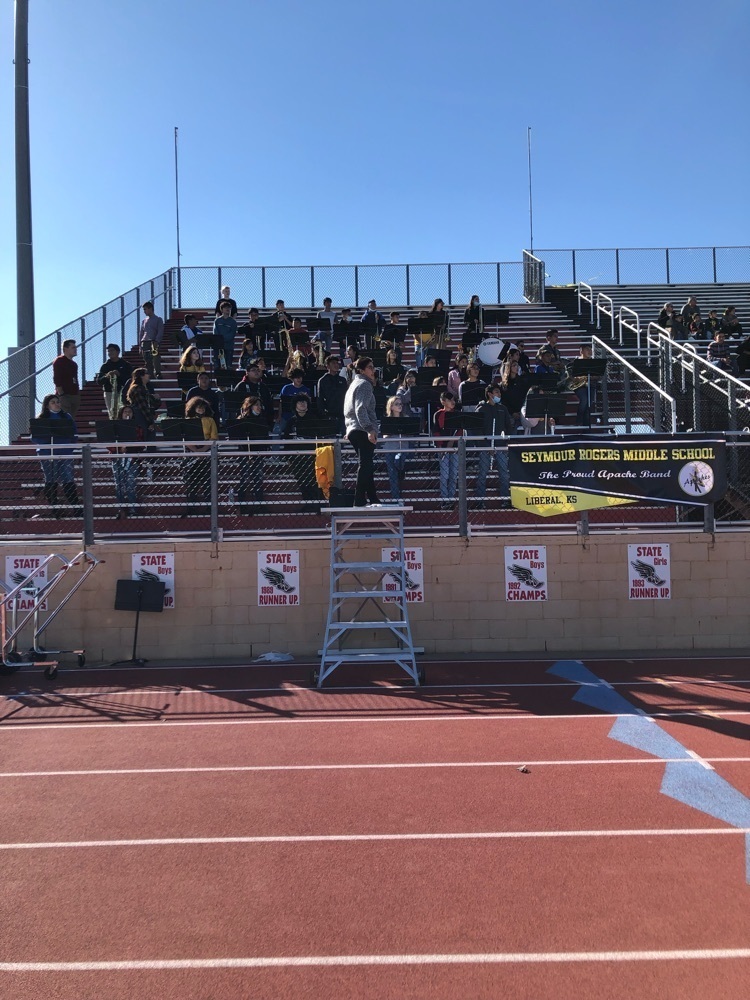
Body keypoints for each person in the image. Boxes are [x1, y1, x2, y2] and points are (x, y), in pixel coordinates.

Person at [32, 394, 79, 518]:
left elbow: (74, 434)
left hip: (65, 452)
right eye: (53, 402)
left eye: (58, 402)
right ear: (47, 406)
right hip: (47, 453)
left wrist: (69, 446)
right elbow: (34, 437)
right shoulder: (41, 418)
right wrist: (48, 439)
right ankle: (54, 507)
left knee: (68, 478)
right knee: (50, 479)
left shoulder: (66, 417)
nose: (57, 404)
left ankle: (76, 507)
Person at [344, 356, 380, 507]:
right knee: (365, 464)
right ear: (362, 370)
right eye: (370, 367)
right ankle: (358, 499)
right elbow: (360, 409)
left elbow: (349, 409)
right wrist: (369, 429)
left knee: (367, 464)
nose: (373, 370)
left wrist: (350, 428)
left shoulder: (353, 384)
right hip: (362, 429)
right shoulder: (365, 384)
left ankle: (373, 497)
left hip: (353, 428)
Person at [473, 384, 514, 507]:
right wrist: (485, 446)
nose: (499, 395)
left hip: (500, 446)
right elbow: (477, 430)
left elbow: (508, 426)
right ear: (490, 394)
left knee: (504, 474)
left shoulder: (502, 408)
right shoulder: (481, 409)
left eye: (499, 392)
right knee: (482, 473)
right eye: (496, 392)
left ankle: (505, 499)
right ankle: (480, 500)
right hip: (485, 447)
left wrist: (507, 441)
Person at [181, 397, 218, 517]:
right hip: (192, 454)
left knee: (208, 483)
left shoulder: (210, 420)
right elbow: (185, 439)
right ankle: (191, 507)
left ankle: (210, 508)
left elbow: (214, 437)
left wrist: (203, 450)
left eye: (203, 406)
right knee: (191, 483)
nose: (201, 409)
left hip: (207, 453)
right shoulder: (188, 421)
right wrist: (196, 451)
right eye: (198, 406)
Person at [232, 396, 268, 514]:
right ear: (250, 406)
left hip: (258, 453)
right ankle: (242, 504)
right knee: (244, 478)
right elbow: (237, 437)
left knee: (258, 478)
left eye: (260, 405)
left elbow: (264, 436)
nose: (259, 407)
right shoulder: (242, 419)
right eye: (256, 405)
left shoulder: (262, 420)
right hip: (245, 453)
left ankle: (260, 504)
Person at [432, 390, 460, 509]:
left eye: (453, 400)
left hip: (455, 448)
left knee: (453, 474)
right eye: (450, 400)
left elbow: (460, 430)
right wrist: (440, 446)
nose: (453, 402)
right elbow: (436, 431)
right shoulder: (438, 414)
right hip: (443, 448)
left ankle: (451, 498)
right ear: (443, 402)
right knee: (445, 474)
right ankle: (444, 499)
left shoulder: (457, 413)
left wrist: (452, 441)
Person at [111, 405, 138, 519]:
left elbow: (141, 443)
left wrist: (129, 448)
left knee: (131, 484)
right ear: (121, 414)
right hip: (117, 458)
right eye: (125, 412)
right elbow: (108, 442)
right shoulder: (115, 426)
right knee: (119, 484)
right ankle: (121, 508)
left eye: (130, 412)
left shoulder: (137, 427)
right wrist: (118, 448)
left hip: (132, 459)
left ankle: (133, 508)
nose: (127, 414)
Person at [382, 395, 410, 501]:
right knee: (392, 474)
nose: (400, 406)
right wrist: (392, 430)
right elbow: (384, 436)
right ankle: (396, 498)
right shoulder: (387, 419)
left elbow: (411, 433)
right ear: (391, 406)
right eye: (397, 404)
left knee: (398, 460)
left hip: (402, 448)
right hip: (390, 449)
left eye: (401, 404)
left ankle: (401, 471)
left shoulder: (406, 418)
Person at [95, 344, 132, 420]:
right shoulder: (105, 366)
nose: (110, 353)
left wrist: (119, 374)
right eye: (108, 351)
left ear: (118, 352)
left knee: (123, 411)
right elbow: (99, 381)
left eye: (112, 350)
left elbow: (130, 379)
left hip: (123, 392)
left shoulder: (125, 364)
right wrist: (107, 376)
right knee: (112, 413)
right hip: (109, 392)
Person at [234, 363, 275, 428]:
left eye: (258, 370)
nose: (256, 372)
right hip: (245, 418)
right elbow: (235, 404)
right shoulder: (241, 386)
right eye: (253, 370)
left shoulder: (263, 386)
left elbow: (268, 404)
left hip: (262, 419)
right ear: (247, 373)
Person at [126, 368, 161, 441]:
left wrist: (156, 398)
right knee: (144, 438)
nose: (149, 375)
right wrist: (150, 422)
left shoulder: (145, 388)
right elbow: (143, 406)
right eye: (146, 373)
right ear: (141, 376)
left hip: (145, 417)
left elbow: (153, 405)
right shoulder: (137, 389)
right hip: (141, 418)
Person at [317, 355, 347, 431]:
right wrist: (323, 413)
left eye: (337, 363)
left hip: (342, 413)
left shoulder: (342, 380)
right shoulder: (323, 380)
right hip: (329, 414)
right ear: (327, 366)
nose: (336, 365)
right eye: (333, 363)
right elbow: (320, 398)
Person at [53, 339, 81, 419]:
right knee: (65, 418)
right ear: (65, 349)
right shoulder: (59, 361)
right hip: (65, 395)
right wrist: (61, 394)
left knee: (71, 419)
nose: (75, 349)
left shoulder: (74, 364)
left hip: (74, 395)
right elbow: (57, 378)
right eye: (73, 347)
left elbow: (75, 379)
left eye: (75, 347)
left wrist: (77, 393)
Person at [139, 300, 164, 378]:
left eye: (145, 309)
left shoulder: (158, 319)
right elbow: (141, 333)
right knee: (147, 359)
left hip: (153, 341)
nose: (144, 311)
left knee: (155, 357)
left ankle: (158, 373)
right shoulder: (144, 321)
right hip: (145, 341)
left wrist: (157, 341)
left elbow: (160, 331)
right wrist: (140, 345)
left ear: (150, 309)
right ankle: (150, 374)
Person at [499, 357, 526, 424]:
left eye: (517, 365)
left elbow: (524, 396)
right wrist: (512, 412)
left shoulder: (521, 381)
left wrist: (521, 411)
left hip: (521, 412)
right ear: (509, 367)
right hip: (509, 413)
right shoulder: (503, 384)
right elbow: (503, 400)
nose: (517, 367)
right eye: (514, 365)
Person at [213, 300, 237, 369]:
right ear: (222, 310)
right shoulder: (217, 321)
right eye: (226, 308)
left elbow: (232, 334)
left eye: (229, 308)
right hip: (218, 347)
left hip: (228, 347)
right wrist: (219, 341)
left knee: (228, 366)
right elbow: (215, 332)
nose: (228, 309)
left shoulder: (233, 322)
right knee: (217, 366)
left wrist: (223, 339)